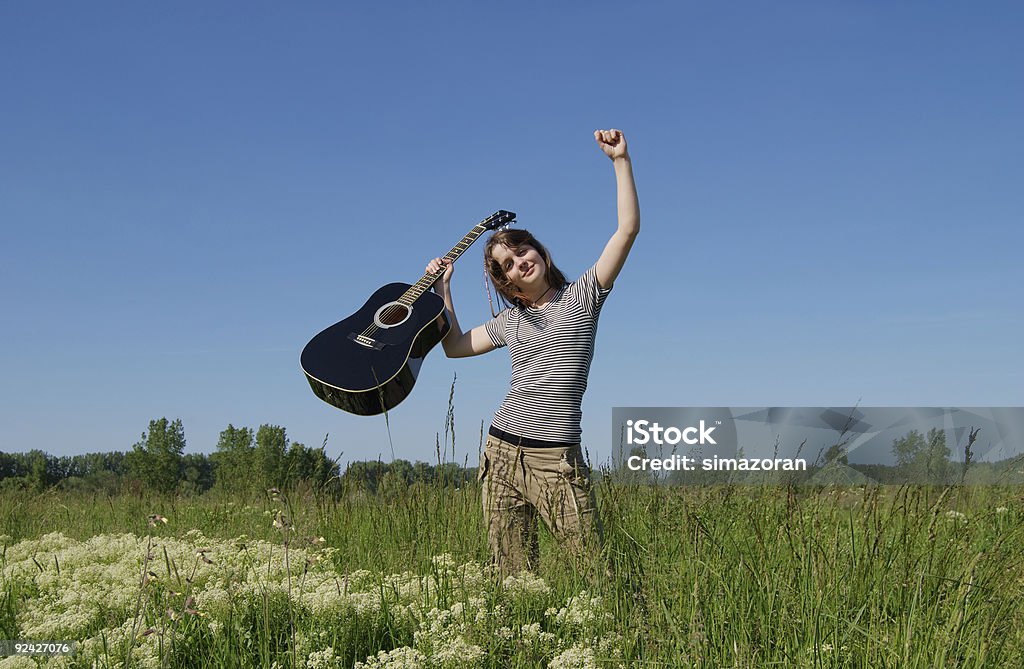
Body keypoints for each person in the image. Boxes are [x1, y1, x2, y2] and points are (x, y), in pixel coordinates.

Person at [425, 129, 639, 578]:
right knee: (514, 580)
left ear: (538, 251)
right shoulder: (512, 322)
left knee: (595, 574)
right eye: (507, 265)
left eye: (521, 250)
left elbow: (626, 230)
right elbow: (455, 346)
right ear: (509, 285)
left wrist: (620, 161)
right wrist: (444, 289)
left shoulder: (583, 296)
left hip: (555, 462)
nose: (518, 261)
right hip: (500, 454)